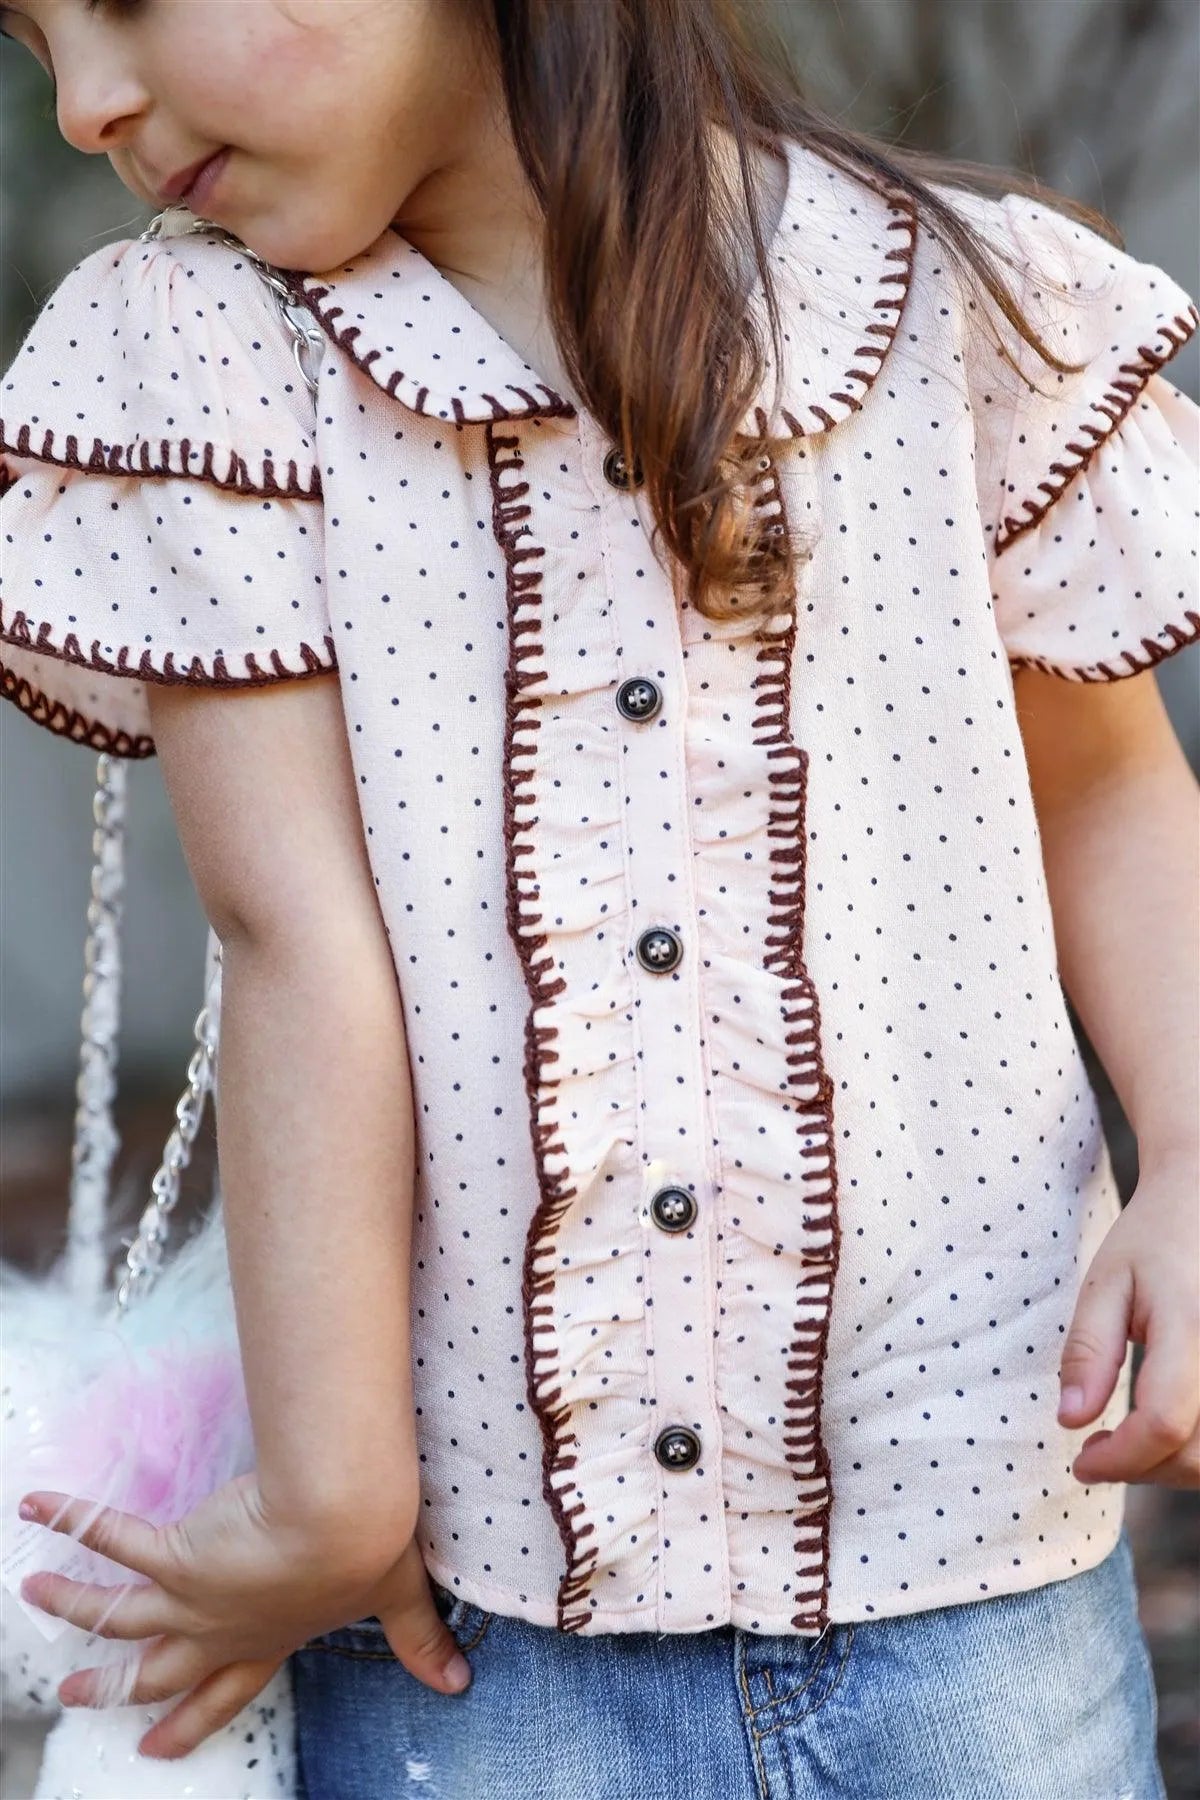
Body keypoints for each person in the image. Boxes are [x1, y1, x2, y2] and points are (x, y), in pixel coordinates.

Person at [1, 2, 1196, 1796]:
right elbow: (290, 933)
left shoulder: (945, 302)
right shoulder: (209, 362)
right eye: (33, 41)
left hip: (982, 1565)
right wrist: (333, 1499)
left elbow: (1106, 791)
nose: (88, 105)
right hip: (475, 1644)